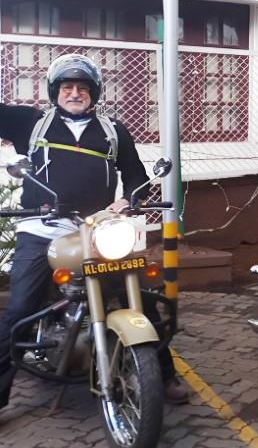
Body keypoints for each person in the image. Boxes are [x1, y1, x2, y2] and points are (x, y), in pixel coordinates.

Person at [0, 53, 188, 409]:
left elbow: (136, 176)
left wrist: (128, 200)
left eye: (82, 87)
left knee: (142, 297)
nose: (74, 93)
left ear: (94, 93)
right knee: (20, 306)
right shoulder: (31, 122)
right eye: (67, 87)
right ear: (55, 91)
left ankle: (163, 374)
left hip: (96, 228)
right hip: (42, 228)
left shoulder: (113, 130)